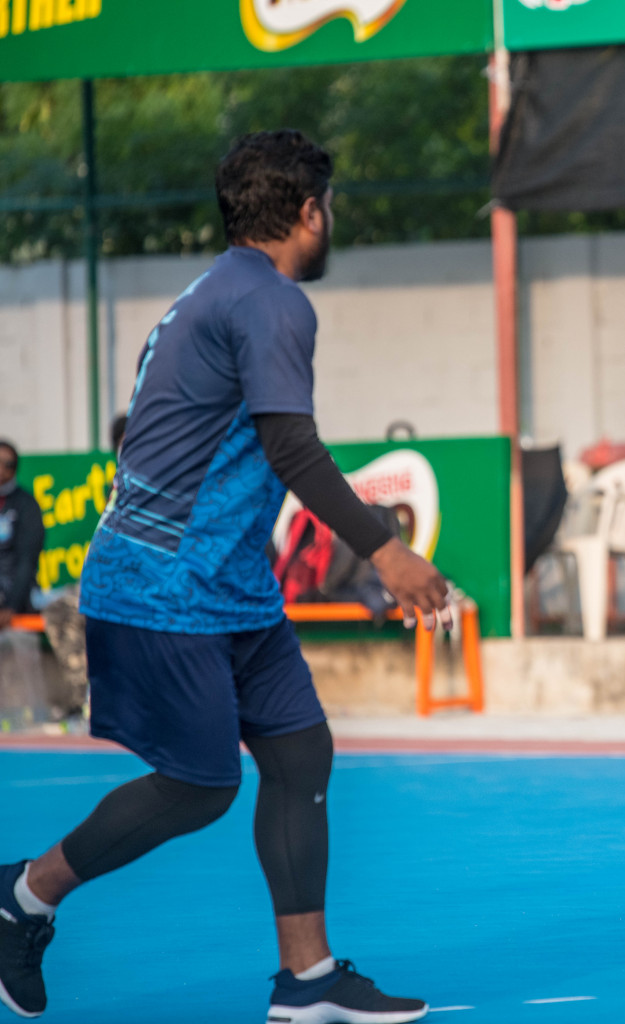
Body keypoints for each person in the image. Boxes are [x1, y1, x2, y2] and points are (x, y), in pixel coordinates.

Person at [0, 130, 452, 1023]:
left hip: (229, 587)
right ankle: (21, 895)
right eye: (330, 209)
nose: (331, 224)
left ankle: (307, 981)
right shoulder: (272, 302)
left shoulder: (212, 292)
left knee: (298, 754)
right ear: (307, 211)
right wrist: (386, 549)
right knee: (202, 786)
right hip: (165, 585)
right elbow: (292, 448)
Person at [0, 440, 44, 633]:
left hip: (17, 605)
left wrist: (12, 606)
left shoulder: (26, 505)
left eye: (8, 464)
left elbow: (27, 560)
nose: (1, 469)